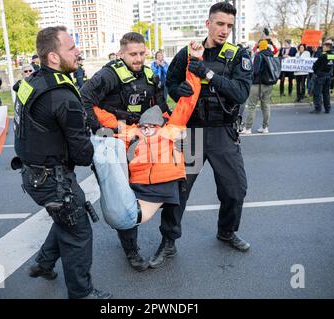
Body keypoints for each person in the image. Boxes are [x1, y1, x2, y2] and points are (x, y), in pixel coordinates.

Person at [151, 1, 253, 269]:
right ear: (208, 23)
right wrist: (179, 91)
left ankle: (227, 231)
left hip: (222, 133)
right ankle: (168, 241)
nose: (224, 30)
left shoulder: (237, 55)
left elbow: (241, 93)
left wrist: (208, 74)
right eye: (220, 24)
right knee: (178, 191)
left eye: (229, 25)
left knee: (235, 190)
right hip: (193, 133)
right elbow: (169, 83)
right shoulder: (189, 51)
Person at [12, 26, 111, 299]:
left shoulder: (32, 82)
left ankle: (43, 264)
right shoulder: (63, 96)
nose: (78, 52)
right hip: (53, 181)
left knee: (66, 220)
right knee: (78, 232)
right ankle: (81, 294)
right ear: (53, 57)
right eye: (71, 47)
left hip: (33, 175)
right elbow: (83, 155)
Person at [81, 32, 170, 272]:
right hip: (114, 145)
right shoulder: (109, 75)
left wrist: (166, 127)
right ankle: (131, 251)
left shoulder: (150, 75)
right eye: (133, 54)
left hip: (141, 144)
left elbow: (162, 107)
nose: (139, 58)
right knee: (120, 197)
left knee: (161, 188)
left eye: (142, 53)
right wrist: (103, 130)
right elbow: (84, 99)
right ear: (121, 53)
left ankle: (169, 240)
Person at [90, 41, 203, 229]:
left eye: (153, 123)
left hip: (163, 184)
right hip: (136, 187)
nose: (148, 126)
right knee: (107, 149)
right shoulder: (129, 131)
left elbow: (189, 100)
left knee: (127, 218)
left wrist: (194, 58)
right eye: (145, 124)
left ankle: (157, 237)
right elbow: (97, 111)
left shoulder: (171, 127)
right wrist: (102, 78)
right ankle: (129, 243)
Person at [243, 39, 276, 134]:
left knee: (252, 106)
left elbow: (256, 71)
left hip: (257, 84)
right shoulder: (271, 55)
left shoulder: (259, 55)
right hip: (269, 84)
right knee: (266, 106)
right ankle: (265, 127)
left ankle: (248, 128)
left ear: (260, 47)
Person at [310, 42, 334, 114]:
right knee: (326, 93)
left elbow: (315, 65)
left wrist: (316, 71)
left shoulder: (323, 56)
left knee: (317, 92)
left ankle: (318, 108)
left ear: (327, 47)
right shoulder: (333, 55)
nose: (322, 48)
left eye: (324, 47)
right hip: (328, 76)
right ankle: (327, 108)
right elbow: (332, 65)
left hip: (320, 76)